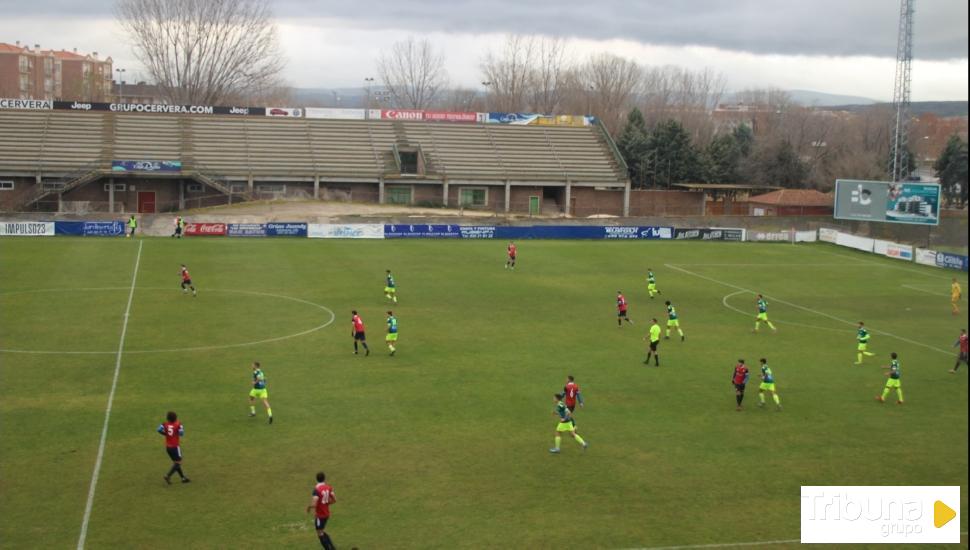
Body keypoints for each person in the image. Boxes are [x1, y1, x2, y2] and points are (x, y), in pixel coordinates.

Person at [306, 472, 337, 550]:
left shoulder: (316, 490)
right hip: (326, 513)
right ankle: (332, 547)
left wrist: (309, 507)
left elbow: (314, 504)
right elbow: (334, 500)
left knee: (319, 533)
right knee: (322, 531)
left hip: (320, 515)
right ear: (324, 478)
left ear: (316, 479)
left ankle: (328, 548)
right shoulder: (329, 487)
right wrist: (326, 503)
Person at [157, 411, 190, 484]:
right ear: (175, 418)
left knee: (176, 463)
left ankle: (183, 478)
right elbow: (181, 433)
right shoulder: (178, 424)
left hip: (168, 447)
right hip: (175, 447)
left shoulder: (164, 424)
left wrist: (166, 434)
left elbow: (158, 430)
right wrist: (175, 433)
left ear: (167, 418)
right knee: (178, 463)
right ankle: (168, 475)